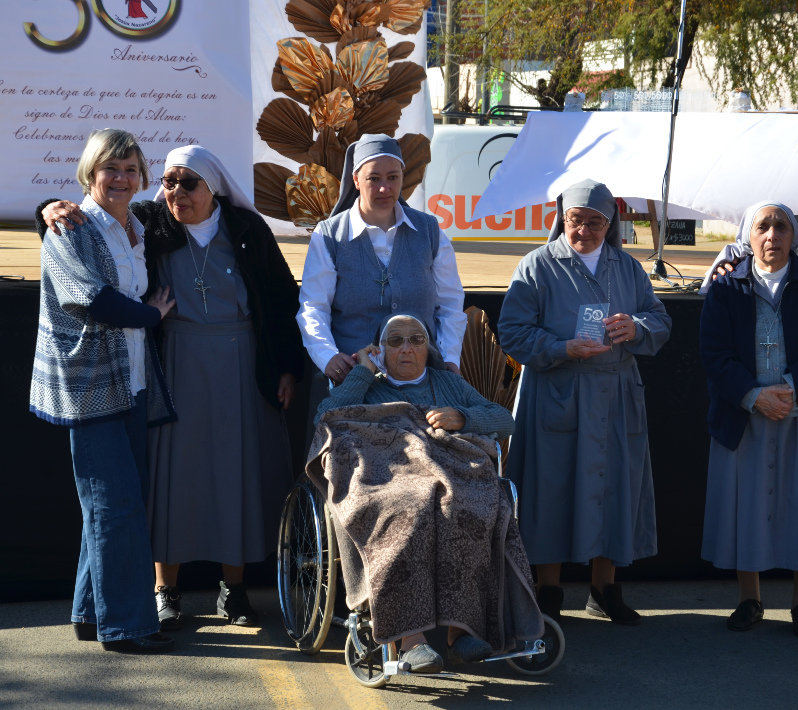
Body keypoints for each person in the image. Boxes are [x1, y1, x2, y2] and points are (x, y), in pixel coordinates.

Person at [39, 145, 304, 630]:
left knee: (235, 474)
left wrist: (287, 367)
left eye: (188, 183)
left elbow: (283, 299)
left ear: (213, 187)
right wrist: (48, 209)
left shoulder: (247, 230)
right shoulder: (151, 221)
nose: (175, 191)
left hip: (243, 369)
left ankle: (235, 589)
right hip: (175, 367)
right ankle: (165, 589)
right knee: (173, 477)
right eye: (168, 181)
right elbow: (88, 218)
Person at [498, 179, 672, 625]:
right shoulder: (537, 266)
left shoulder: (628, 268)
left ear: (610, 223)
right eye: (576, 220)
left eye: (596, 222)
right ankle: (548, 590)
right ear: (562, 218)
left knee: (614, 489)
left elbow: (659, 319)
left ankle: (605, 589)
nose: (585, 231)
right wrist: (563, 349)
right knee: (550, 490)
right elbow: (513, 333)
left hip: (616, 395)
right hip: (558, 393)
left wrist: (635, 327)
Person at [30, 128, 176, 653]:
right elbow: (88, 299)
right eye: (110, 169)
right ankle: (128, 626)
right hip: (89, 385)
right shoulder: (70, 230)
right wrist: (150, 315)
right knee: (115, 505)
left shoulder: (137, 224)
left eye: (131, 169)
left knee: (115, 501)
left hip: (131, 382)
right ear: (90, 173)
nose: (121, 178)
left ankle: (90, 612)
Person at [314, 313, 526, 673]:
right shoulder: (369, 385)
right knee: (407, 510)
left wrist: (461, 417)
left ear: (428, 348)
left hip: (451, 473)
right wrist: (363, 370)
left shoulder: (448, 383)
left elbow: (503, 419)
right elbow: (327, 414)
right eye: (394, 341)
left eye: (416, 339)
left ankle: (462, 634)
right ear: (380, 350)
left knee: (464, 507)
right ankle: (410, 641)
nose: (407, 348)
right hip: (389, 477)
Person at [699, 202, 798, 638]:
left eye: (781, 227)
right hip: (745, 416)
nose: (772, 236)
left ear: (794, 235)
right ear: (748, 237)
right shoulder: (725, 286)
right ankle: (750, 600)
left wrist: (789, 387)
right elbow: (714, 354)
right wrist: (753, 396)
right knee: (745, 510)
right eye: (762, 227)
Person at [297, 133, 466, 389]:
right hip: (354, 380)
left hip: (423, 379)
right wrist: (327, 356)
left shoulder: (430, 230)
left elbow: (450, 305)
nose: (384, 188)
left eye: (392, 178)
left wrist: (450, 357)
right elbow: (314, 307)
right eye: (373, 179)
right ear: (356, 179)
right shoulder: (330, 235)